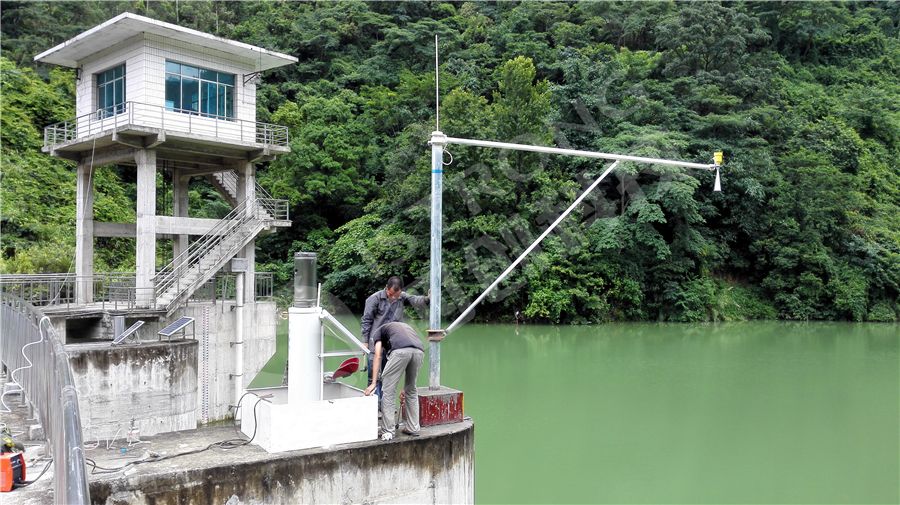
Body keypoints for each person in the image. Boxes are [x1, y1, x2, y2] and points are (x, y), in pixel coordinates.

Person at [361, 277, 428, 397]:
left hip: (391, 343)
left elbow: (415, 300)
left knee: (387, 375)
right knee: (373, 376)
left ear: (400, 291)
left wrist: (427, 299)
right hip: (375, 341)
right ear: (387, 288)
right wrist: (365, 341)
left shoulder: (402, 297)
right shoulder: (374, 299)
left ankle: (383, 403)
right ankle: (374, 405)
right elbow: (366, 320)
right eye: (390, 294)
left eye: (395, 296)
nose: (393, 298)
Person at [364, 321, 424, 441]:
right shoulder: (402, 327)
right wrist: (404, 388)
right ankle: (413, 428)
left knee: (388, 390)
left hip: (400, 352)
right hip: (419, 351)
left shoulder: (377, 332)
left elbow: (377, 355)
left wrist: (374, 383)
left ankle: (388, 431)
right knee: (411, 390)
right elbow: (408, 354)